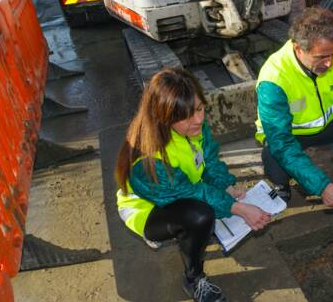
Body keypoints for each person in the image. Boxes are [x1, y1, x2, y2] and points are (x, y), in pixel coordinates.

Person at [114, 68, 271, 302]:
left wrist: (227, 188)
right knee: (199, 216)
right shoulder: (147, 158)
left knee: (205, 207)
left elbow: (209, 160)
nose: (199, 118)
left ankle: (187, 233)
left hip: (180, 191)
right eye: (187, 115)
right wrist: (235, 207)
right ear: (164, 116)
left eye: (199, 108)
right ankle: (194, 278)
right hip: (146, 209)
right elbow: (188, 191)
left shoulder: (193, 126)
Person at [255, 7, 333, 218]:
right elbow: (282, 142)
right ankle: (282, 186)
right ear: (298, 49)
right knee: (273, 155)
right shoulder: (273, 79)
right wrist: (323, 186)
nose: (330, 63)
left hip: (328, 123)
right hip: (293, 135)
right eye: (322, 57)